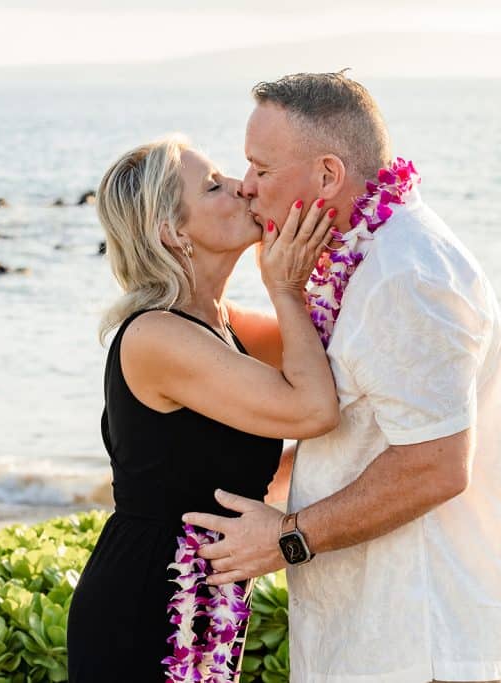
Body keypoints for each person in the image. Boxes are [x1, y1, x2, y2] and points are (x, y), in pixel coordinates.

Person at [183, 72, 501, 683]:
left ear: (327, 176)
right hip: (370, 635)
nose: (248, 188)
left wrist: (285, 538)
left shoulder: (405, 274)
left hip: (416, 638)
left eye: (262, 168)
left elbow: (437, 463)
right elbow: (357, 432)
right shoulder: (362, 259)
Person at [66, 136, 341, 681]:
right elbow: (313, 409)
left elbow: (335, 357)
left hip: (208, 601)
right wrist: (284, 287)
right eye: (215, 186)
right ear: (172, 232)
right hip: (146, 605)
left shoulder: (225, 324)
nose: (243, 186)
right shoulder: (157, 336)